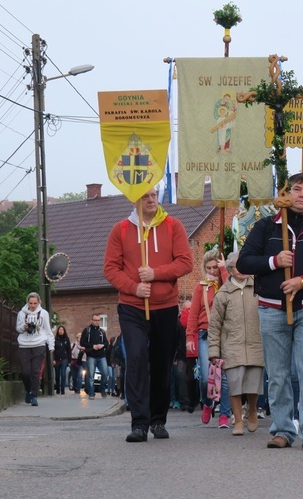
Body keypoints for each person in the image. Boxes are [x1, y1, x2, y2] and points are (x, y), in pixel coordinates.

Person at [237, 172, 303, 449]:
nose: (302, 195)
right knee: (278, 372)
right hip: (272, 309)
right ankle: (283, 429)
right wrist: (274, 261)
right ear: (286, 193)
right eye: (297, 189)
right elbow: (245, 262)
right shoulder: (265, 228)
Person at [104, 187, 194, 442]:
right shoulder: (119, 230)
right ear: (134, 199)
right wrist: (134, 287)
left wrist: (155, 273)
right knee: (136, 357)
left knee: (162, 364)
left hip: (165, 306)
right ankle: (139, 422)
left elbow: (185, 262)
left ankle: (158, 420)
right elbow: (110, 269)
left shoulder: (173, 226)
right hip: (132, 307)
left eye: (154, 195)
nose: (151, 199)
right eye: (145, 196)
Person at [208, 252, 265, 436]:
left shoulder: (259, 287)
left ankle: (253, 411)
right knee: (234, 384)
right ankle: (238, 421)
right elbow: (215, 324)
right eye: (238, 266)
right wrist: (214, 350)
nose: (242, 270)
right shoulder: (223, 294)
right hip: (232, 344)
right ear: (230, 270)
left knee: (253, 383)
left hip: (256, 342)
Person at [186, 249, 232, 428]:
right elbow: (193, 314)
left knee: (226, 377)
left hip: (225, 334)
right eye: (209, 267)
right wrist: (190, 336)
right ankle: (207, 402)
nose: (212, 271)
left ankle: (225, 415)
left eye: (215, 267)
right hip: (205, 333)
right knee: (206, 377)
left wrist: (223, 270)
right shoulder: (200, 287)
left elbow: (232, 291)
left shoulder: (225, 284)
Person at [15, 292, 55, 407]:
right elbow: (18, 328)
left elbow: (48, 330)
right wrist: (25, 327)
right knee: (25, 372)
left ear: (39, 303)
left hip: (39, 345)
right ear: (28, 302)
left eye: (35, 303)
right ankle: (28, 390)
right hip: (24, 345)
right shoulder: (21, 314)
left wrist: (51, 345)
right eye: (31, 303)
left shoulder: (44, 314)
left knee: (36, 372)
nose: (33, 306)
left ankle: (34, 396)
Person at [80, 315, 110, 399]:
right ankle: (91, 393)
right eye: (95, 320)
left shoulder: (102, 331)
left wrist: (102, 345)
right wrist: (93, 346)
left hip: (101, 355)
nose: (97, 322)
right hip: (91, 356)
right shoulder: (87, 331)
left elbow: (106, 343)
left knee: (105, 373)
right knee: (91, 376)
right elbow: (82, 343)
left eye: (98, 320)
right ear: (91, 320)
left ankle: (102, 389)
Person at [52, 325, 71, 395]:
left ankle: (62, 389)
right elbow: (53, 350)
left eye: (62, 330)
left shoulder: (66, 340)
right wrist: (53, 359)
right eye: (60, 330)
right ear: (58, 331)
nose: (61, 331)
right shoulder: (55, 340)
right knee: (57, 375)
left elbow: (69, 350)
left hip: (64, 358)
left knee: (63, 373)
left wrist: (69, 361)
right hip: (57, 359)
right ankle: (57, 388)